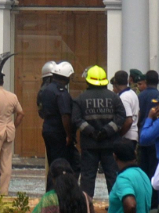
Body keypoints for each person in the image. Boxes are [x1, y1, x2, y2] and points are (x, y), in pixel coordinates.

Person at [76, 65, 128, 199]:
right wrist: (106, 131)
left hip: (89, 145)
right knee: (113, 177)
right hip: (110, 145)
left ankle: (86, 207)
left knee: (87, 178)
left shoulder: (81, 98)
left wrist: (91, 132)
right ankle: (116, 207)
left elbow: (76, 120)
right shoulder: (114, 97)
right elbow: (121, 117)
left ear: (88, 81)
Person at [0, 74, 24, 196]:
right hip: (8, 132)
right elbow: (21, 113)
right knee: (6, 163)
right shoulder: (12, 96)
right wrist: (13, 126)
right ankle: (3, 192)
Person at [40, 62, 79, 172]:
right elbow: (65, 115)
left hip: (48, 129)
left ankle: (52, 187)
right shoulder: (61, 92)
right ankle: (61, 187)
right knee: (63, 164)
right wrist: (69, 135)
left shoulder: (46, 90)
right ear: (66, 77)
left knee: (53, 163)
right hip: (59, 132)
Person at [110, 142, 153, 213]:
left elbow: (131, 205)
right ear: (135, 154)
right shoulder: (143, 174)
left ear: (114, 156)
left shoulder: (123, 178)